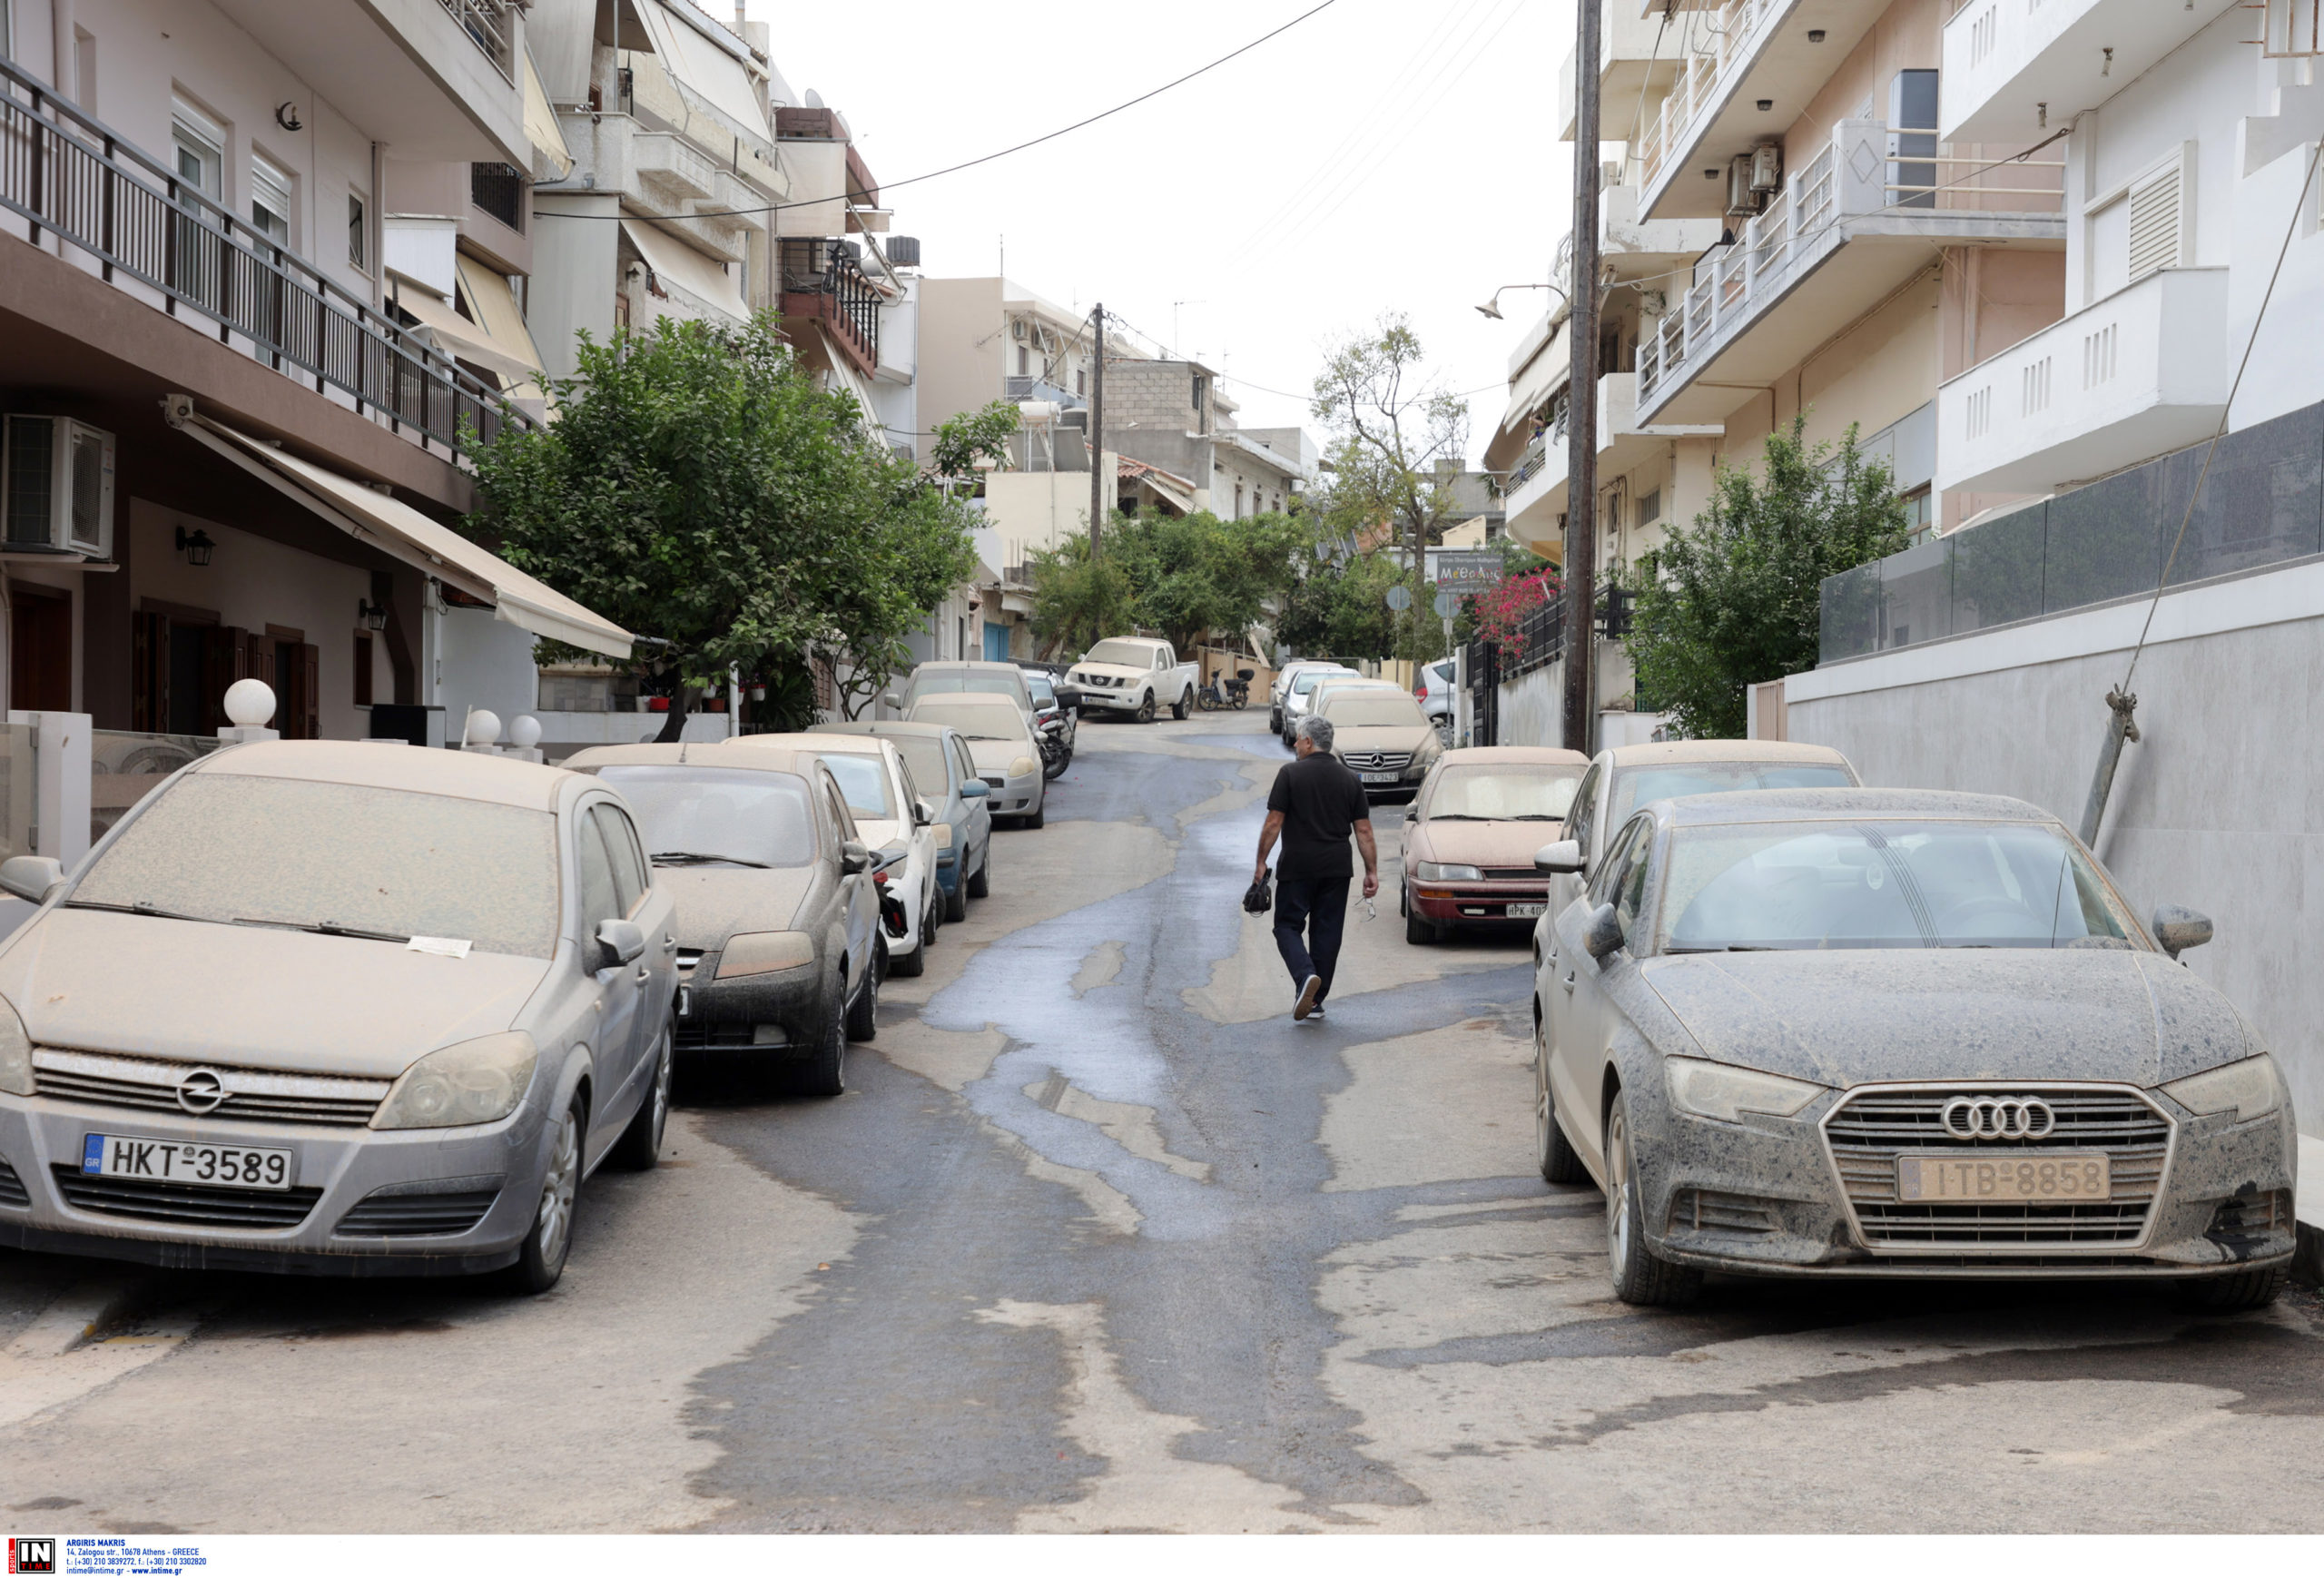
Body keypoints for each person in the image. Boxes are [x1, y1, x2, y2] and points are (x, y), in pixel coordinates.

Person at [1253, 715, 1379, 1021]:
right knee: (1327, 932)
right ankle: (1315, 1001)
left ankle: (1305, 976)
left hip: (1298, 865)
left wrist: (1261, 862)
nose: (1295, 745)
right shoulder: (1350, 779)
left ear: (1309, 742)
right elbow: (1364, 831)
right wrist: (1371, 871)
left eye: (1298, 739)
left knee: (1286, 926)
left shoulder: (1290, 774)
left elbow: (1273, 823)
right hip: (1337, 868)